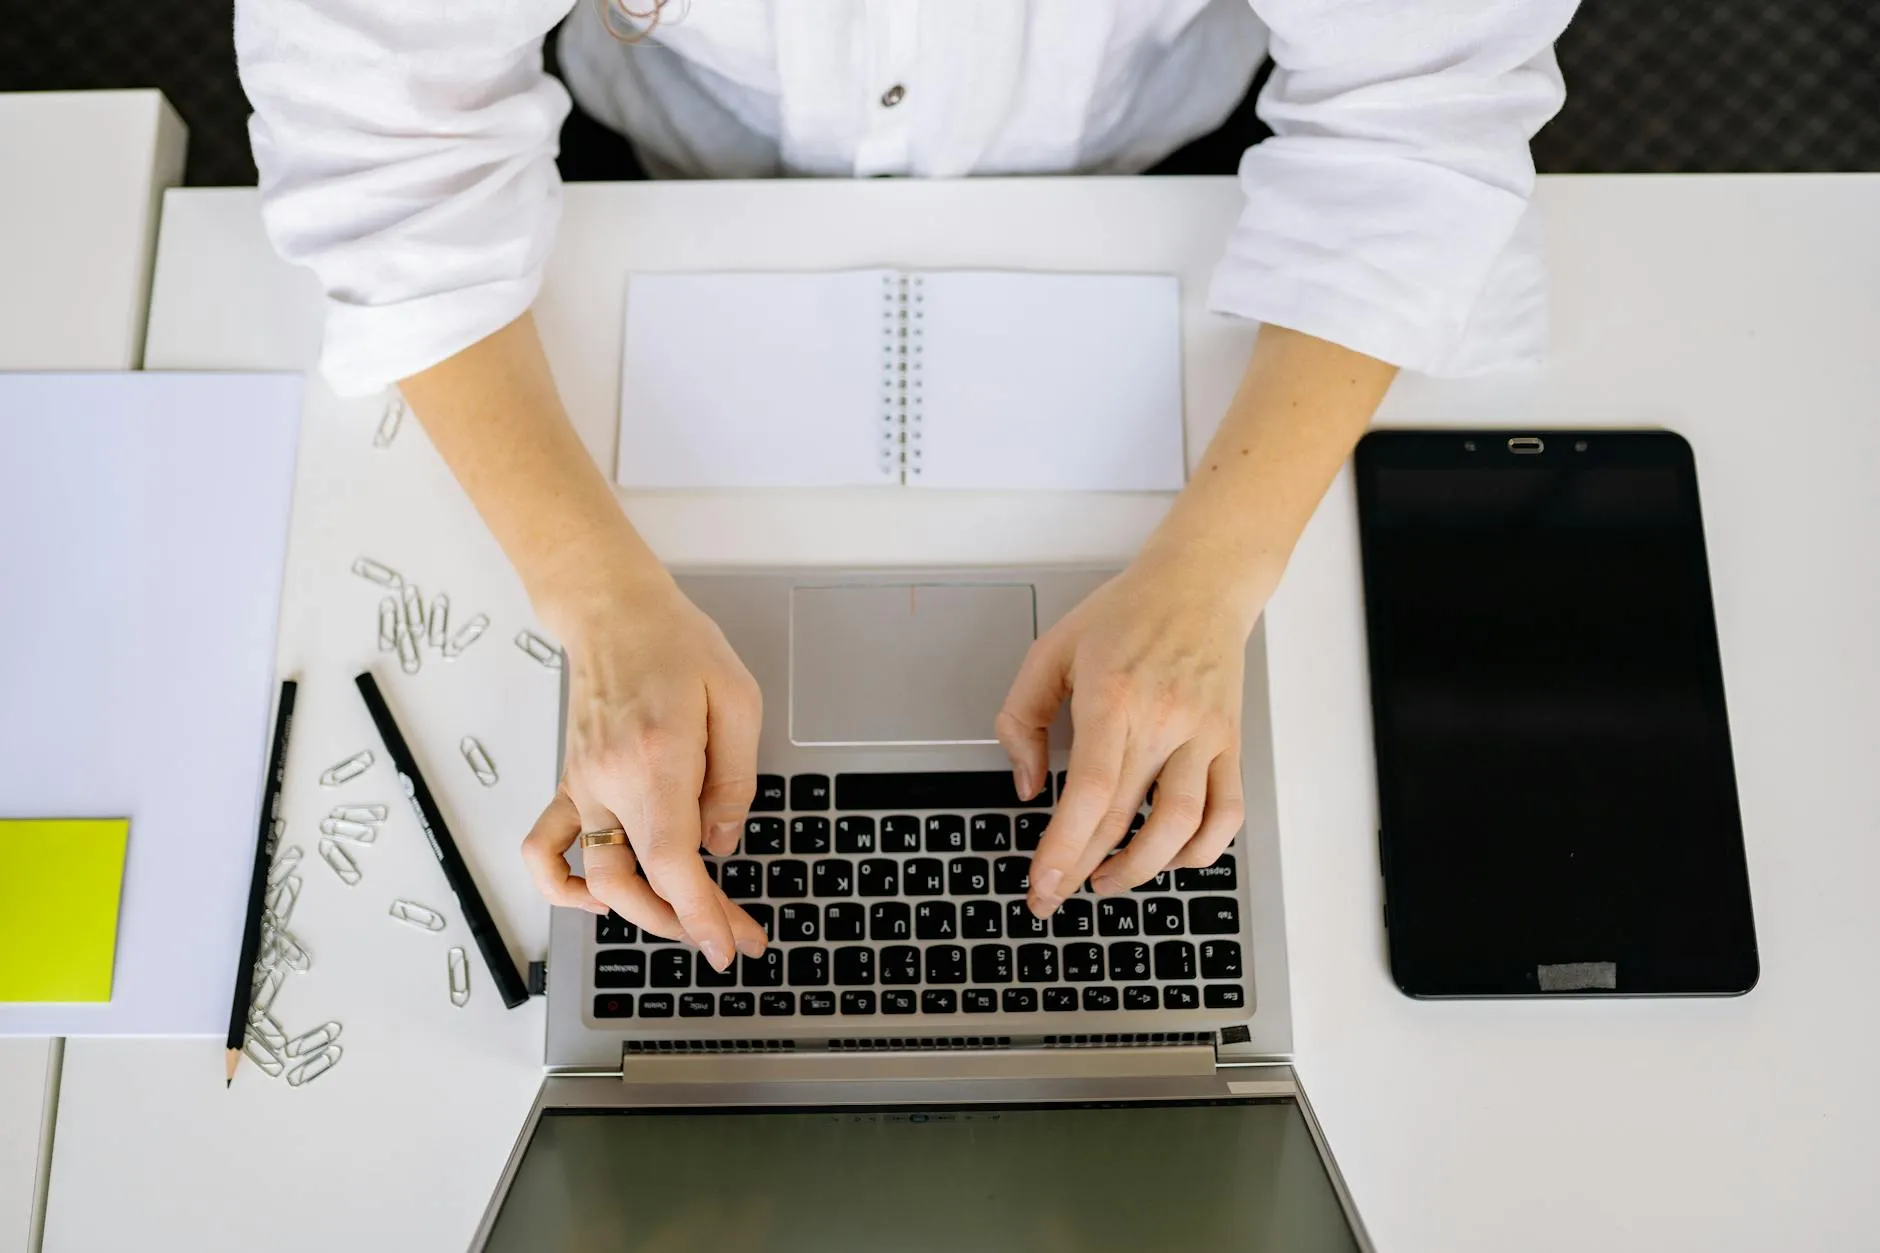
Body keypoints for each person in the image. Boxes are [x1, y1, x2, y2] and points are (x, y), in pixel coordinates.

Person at [237, 0, 1579, 973]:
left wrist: (1214, 577)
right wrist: (594, 602)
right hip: (678, 153)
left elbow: (1417, 110)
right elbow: (383, 129)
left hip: (1150, 148)